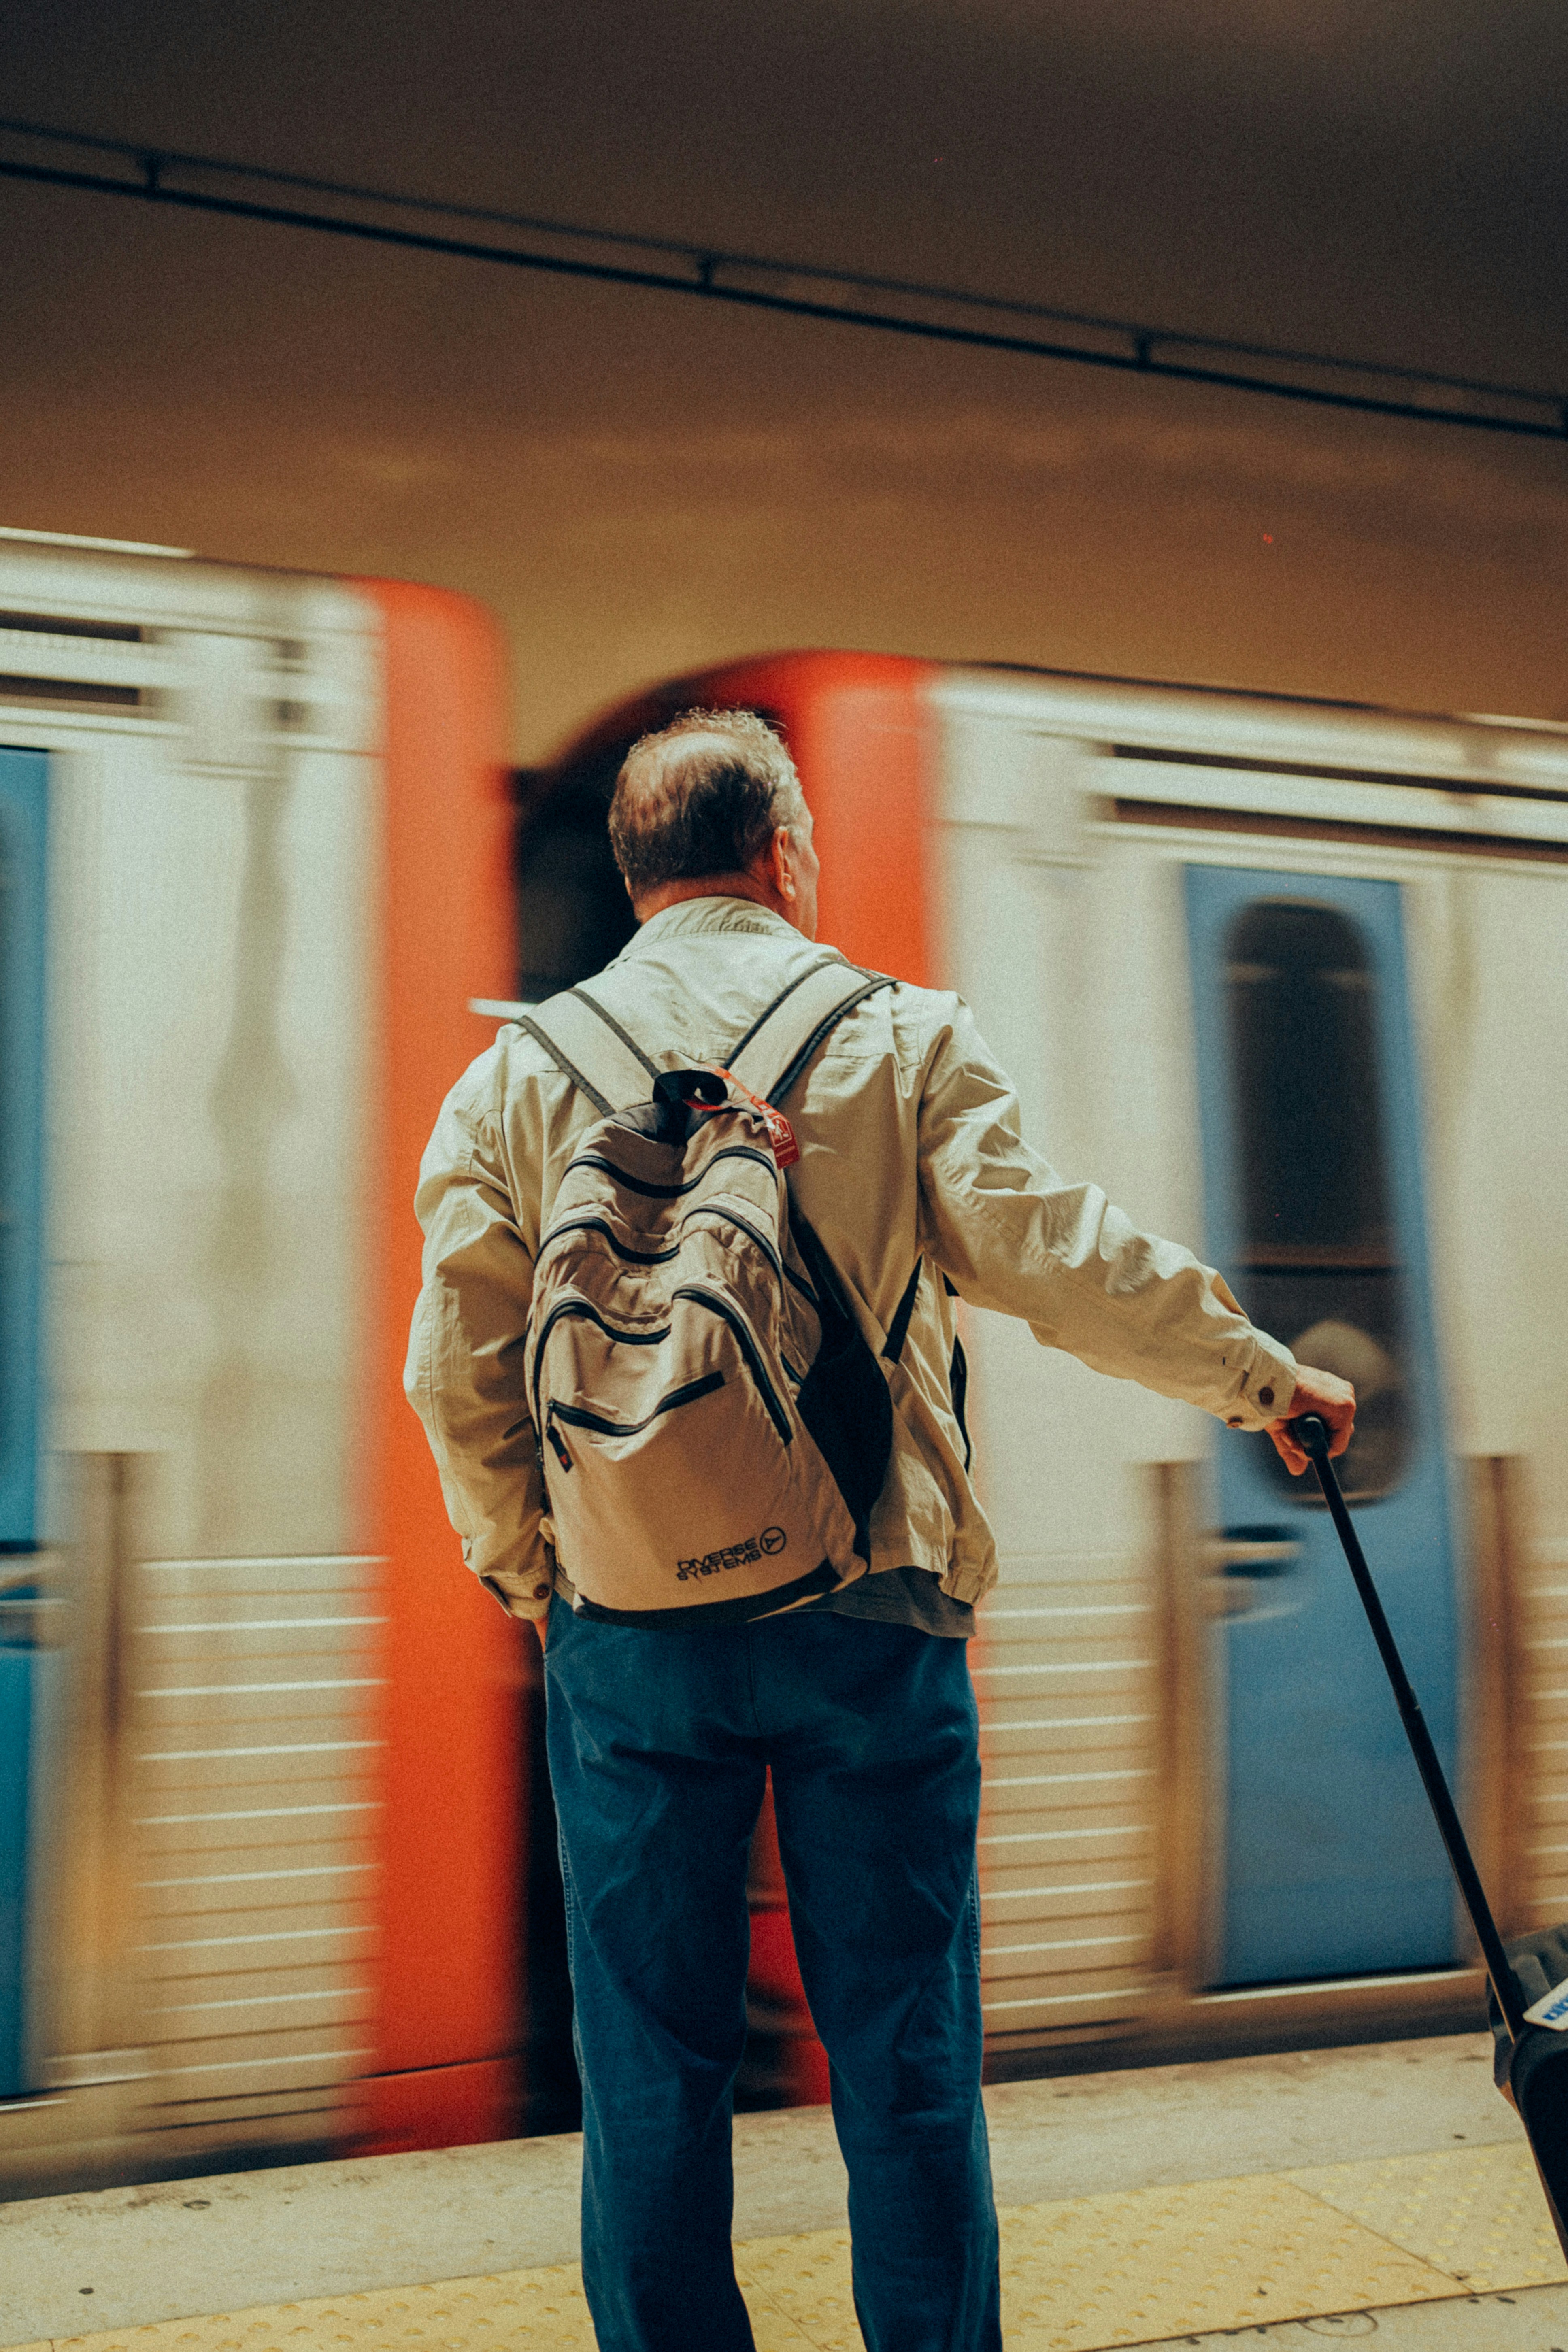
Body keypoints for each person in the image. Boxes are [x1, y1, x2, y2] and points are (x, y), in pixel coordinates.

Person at [406, 707, 1355, 2352]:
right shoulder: (897, 1037)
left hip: (627, 1638)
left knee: (651, 2078)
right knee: (905, 2062)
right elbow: (1061, 1258)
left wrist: (534, 1571)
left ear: (635, 873)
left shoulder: (511, 1076)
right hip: (873, 1613)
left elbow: (456, 1369)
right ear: (782, 852)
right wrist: (1260, 1378)